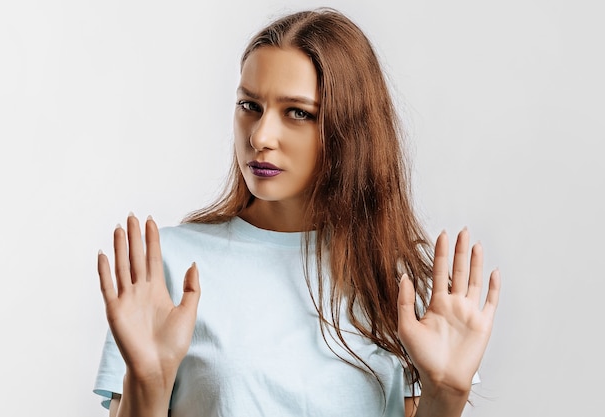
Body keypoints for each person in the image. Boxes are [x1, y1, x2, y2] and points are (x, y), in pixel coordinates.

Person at [93, 7, 501, 417]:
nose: (260, 135)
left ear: (350, 130)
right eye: (250, 105)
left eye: (298, 113)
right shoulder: (168, 266)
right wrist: (147, 382)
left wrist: (446, 396)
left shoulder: (400, 283)